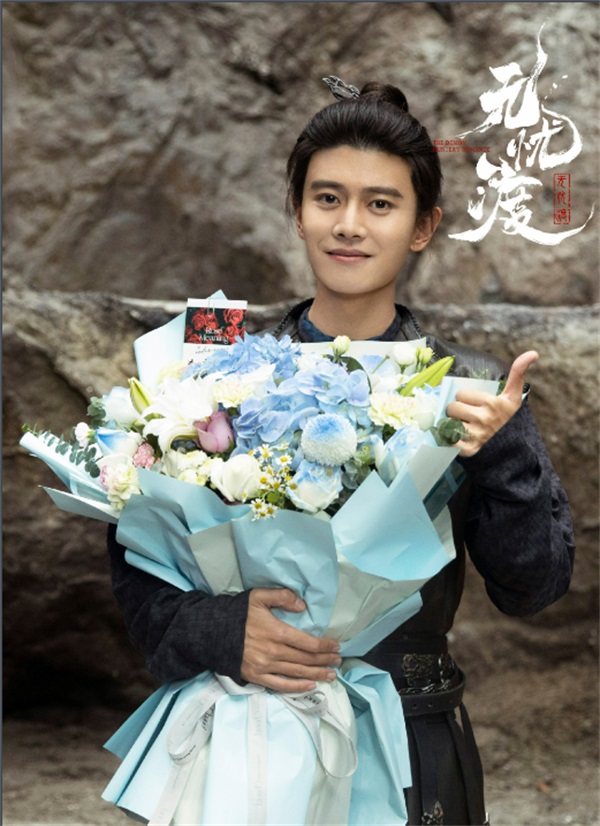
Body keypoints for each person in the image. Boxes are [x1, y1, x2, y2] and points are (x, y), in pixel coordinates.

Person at [107, 78, 575, 825]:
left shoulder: (468, 389)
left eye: (381, 204)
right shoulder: (214, 370)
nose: (349, 225)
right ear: (297, 211)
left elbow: (536, 586)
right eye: (328, 198)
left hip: (413, 740)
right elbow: (138, 564)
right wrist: (223, 631)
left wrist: (498, 455)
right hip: (245, 731)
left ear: (423, 226)